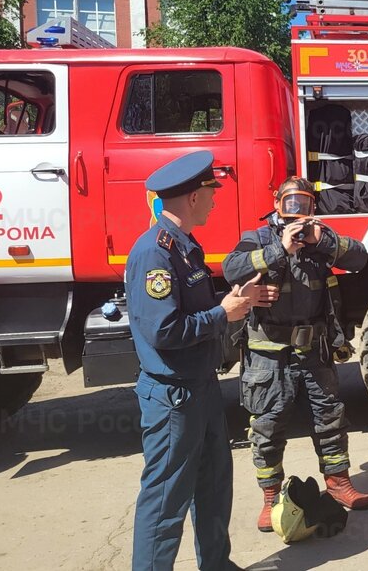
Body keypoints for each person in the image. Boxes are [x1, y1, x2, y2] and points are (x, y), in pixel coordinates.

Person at [127, 150, 263, 571]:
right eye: (210, 192)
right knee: (166, 499)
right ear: (190, 197)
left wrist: (227, 305)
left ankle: (217, 565)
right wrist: (224, 313)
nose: (214, 200)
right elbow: (164, 331)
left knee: (213, 486)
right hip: (173, 396)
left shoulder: (184, 246)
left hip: (199, 387)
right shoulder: (156, 253)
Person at [222, 176, 368, 532]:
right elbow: (231, 267)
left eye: (302, 205)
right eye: (289, 204)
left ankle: (338, 483)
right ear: (276, 205)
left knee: (330, 418)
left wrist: (323, 239)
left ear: (311, 208)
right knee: (268, 426)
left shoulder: (320, 240)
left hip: (314, 350)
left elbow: (360, 258)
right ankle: (271, 497)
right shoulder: (259, 239)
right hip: (269, 355)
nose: (295, 212)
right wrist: (281, 250)